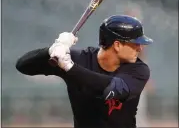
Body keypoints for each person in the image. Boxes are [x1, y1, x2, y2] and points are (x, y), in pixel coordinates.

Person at [16, 15, 153, 128]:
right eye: (135, 43)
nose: (140, 49)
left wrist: (70, 68)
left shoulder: (138, 69)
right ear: (117, 45)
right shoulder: (78, 59)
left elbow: (111, 89)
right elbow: (23, 66)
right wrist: (52, 49)